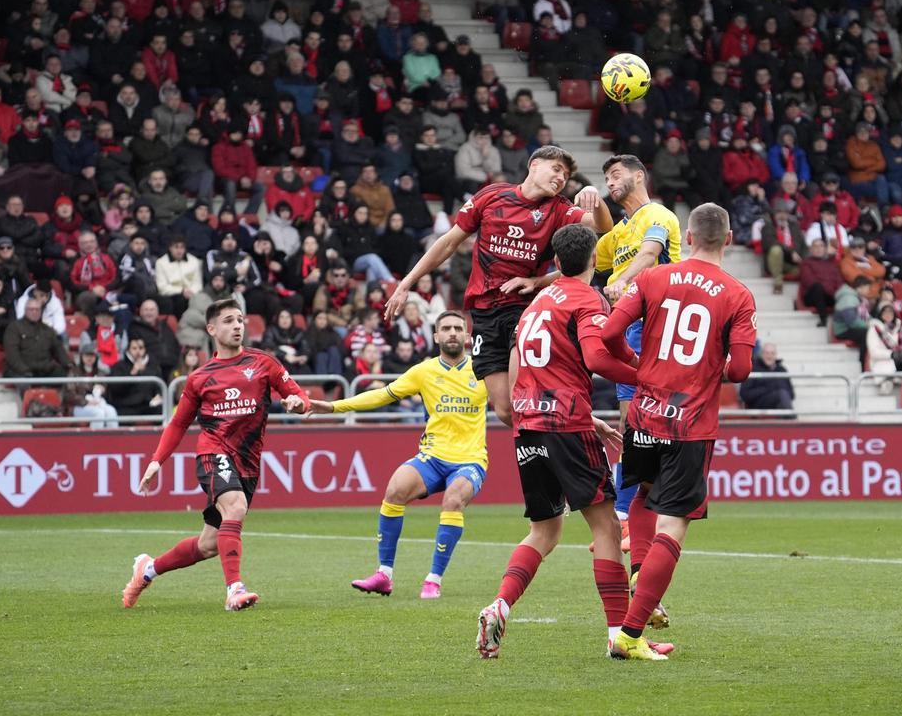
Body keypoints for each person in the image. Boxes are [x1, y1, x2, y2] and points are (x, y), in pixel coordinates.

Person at [476, 224, 660, 659]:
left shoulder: (538, 301)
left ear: (555, 263)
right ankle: (620, 635)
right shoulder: (587, 298)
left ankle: (500, 604)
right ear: (593, 260)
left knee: (545, 528)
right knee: (608, 528)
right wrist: (647, 378)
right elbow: (597, 357)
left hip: (530, 424)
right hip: (565, 427)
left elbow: (521, 363)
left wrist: (572, 414)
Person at [600, 203, 757, 660]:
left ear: (687, 237)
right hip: (690, 422)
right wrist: (711, 370)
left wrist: (640, 367)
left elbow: (611, 333)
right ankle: (629, 636)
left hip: (644, 413)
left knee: (645, 497)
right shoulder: (738, 294)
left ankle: (638, 582)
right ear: (728, 240)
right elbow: (742, 369)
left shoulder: (650, 279)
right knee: (675, 525)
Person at [383, 146, 612, 426]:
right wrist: (406, 283)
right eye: (556, 169)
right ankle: (563, 431)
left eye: (565, 175)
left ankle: (577, 429)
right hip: (484, 314)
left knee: (524, 396)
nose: (561, 178)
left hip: (524, 310)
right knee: (506, 410)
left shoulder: (559, 208)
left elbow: (602, 229)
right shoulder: (491, 196)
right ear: (534, 165)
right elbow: (448, 242)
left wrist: (597, 202)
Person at [122, 299, 309, 612]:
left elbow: (299, 396)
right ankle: (234, 589)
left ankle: (148, 569)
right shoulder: (200, 378)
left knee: (208, 544)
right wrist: (157, 461)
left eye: (239, 320)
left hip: (247, 464)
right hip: (212, 454)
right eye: (228, 321)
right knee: (234, 506)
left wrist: (297, 404)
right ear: (211, 329)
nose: (237, 326)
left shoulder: (263, 363)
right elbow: (179, 423)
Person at [306, 311, 487, 600]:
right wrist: (333, 407)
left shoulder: (485, 370)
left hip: (471, 459)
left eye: (458, 328)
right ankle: (384, 575)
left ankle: (433, 579)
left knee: (453, 500)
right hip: (433, 456)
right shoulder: (424, 371)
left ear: (468, 337)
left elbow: (510, 401)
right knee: (394, 490)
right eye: (446, 329)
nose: (452, 333)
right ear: (436, 336)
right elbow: (382, 395)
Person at [594, 155, 682, 542]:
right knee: (631, 429)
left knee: (655, 428)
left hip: (659, 326)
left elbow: (649, 256)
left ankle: (648, 512)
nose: (610, 181)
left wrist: (621, 281)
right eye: (606, 177)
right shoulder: (618, 233)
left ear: (638, 176)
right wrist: (538, 281)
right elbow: (583, 260)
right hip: (628, 330)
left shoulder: (658, 215)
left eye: (616, 175)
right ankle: (624, 515)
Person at [3, 295, 71, 378]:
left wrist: (68, 364)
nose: (34, 312)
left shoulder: (48, 330)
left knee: (65, 375)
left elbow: (58, 349)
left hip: (45, 370)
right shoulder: (14, 328)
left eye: (37, 309)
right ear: (25, 310)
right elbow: (12, 356)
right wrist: (24, 370)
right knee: (22, 380)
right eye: (31, 309)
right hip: (21, 370)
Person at [739, 343, 794, 411]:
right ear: (761, 354)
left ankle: (789, 420)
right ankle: (792, 420)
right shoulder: (753, 369)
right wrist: (768, 388)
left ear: (776, 355)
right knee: (781, 394)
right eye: (766, 353)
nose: (769, 356)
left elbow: (791, 394)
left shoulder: (782, 370)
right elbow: (745, 395)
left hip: (779, 405)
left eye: (772, 353)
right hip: (758, 405)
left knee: (782, 395)